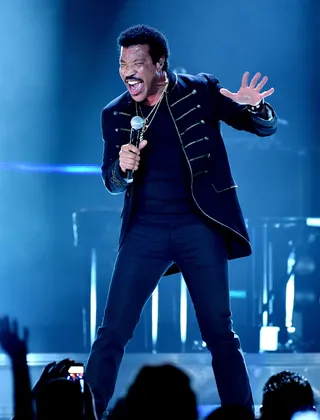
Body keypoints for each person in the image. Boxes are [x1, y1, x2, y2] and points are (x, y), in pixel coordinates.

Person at [85, 24, 277, 419]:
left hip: (199, 227)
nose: (128, 73)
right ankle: (87, 413)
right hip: (145, 230)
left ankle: (241, 415)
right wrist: (121, 170)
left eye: (138, 64)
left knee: (220, 334)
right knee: (112, 332)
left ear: (159, 64)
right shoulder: (115, 112)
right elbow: (110, 179)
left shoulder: (200, 90)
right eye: (123, 64)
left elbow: (260, 127)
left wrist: (256, 108)